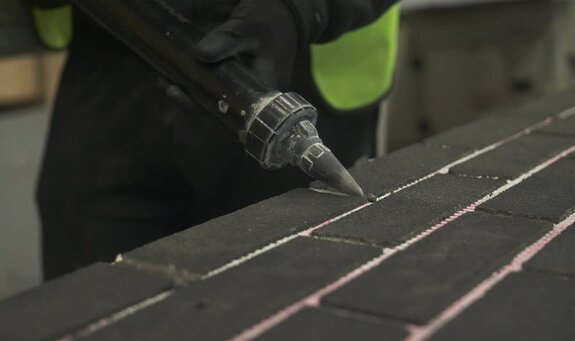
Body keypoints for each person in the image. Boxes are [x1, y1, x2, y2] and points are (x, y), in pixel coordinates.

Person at [30, 0, 400, 280]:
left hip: (283, 58)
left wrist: (299, 9)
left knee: (287, 317)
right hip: (112, 54)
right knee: (91, 309)